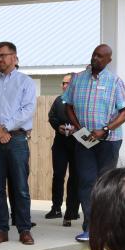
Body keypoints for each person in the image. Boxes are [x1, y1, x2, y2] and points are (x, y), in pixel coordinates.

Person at [62, 44, 125, 244]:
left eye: (101, 57)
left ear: (109, 60)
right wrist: (80, 129)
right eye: (94, 55)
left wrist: (106, 129)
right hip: (85, 140)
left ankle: (107, 228)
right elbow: (68, 106)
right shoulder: (78, 79)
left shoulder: (114, 81)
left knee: (105, 184)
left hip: (108, 140)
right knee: (86, 182)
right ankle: (90, 227)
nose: (96, 59)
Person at [0, 42, 36, 245]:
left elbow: (27, 110)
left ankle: (24, 229)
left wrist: (6, 128)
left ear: (14, 57)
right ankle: (1, 229)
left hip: (17, 138)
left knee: (20, 187)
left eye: (2, 56)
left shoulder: (25, 82)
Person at [45, 74, 79, 226]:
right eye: (63, 83)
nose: (65, 86)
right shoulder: (58, 101)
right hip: (60, 144)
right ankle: (56, 208)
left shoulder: (80, 101)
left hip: (77, 144)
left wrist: (75, 130)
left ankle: (72, 210)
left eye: (68, 83)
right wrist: (57, 126)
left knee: (75, 177)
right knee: (58, 175)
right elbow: (52, 117)